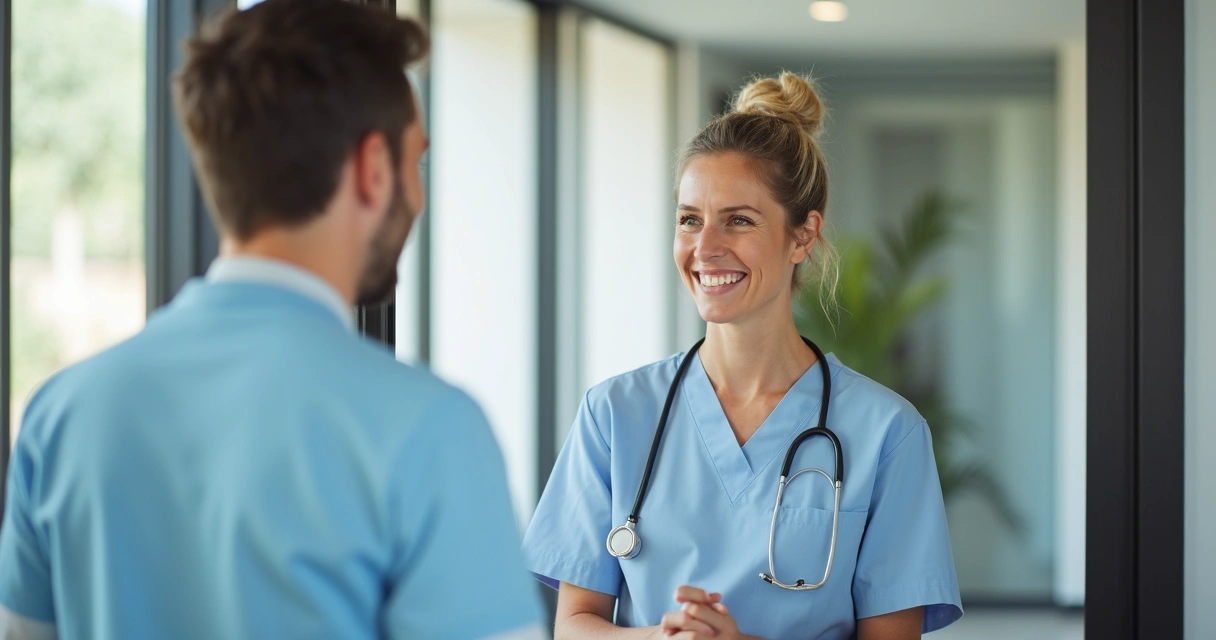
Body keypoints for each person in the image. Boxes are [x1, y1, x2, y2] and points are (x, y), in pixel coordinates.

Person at [0, 1, 544, 638]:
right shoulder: (431, 432)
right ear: (372, 170)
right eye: (415, 163)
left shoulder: (62, 414)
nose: (419, 196)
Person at [522, 72, 962, 640]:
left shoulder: (886, 432)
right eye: (689, 220)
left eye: (739, 220)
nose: (705, 248)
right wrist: (663, 638)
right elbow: (575, 625)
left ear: (802, 237)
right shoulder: (614, 414)